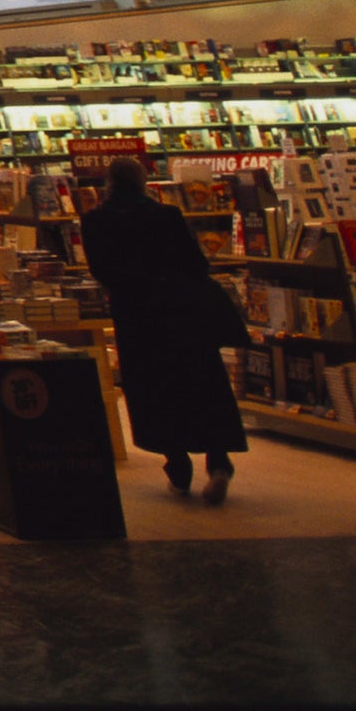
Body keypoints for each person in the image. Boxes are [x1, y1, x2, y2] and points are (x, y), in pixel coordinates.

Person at [79, 158, 251, 502]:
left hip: (136, 315)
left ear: (109, 184)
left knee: (153, 388)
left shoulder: (95, 221)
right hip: (181, 310)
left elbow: (101, 269)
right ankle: (218, 461)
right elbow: (196, 263)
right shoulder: (167, 215)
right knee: (202, 383)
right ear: (143, 182)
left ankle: (177, 463)